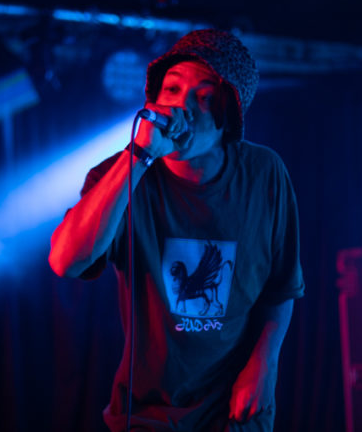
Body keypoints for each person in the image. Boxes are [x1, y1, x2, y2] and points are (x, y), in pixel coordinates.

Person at [49, 29, 304, 431]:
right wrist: (139, 156)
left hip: (234, 412)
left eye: (204, 97)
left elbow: (282, 286)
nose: (181, 106)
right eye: (171, 89)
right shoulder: (122, 176)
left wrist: (265, 365)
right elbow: (66, 261)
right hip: (147, 413)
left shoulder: (263, 173)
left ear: (228, 116)